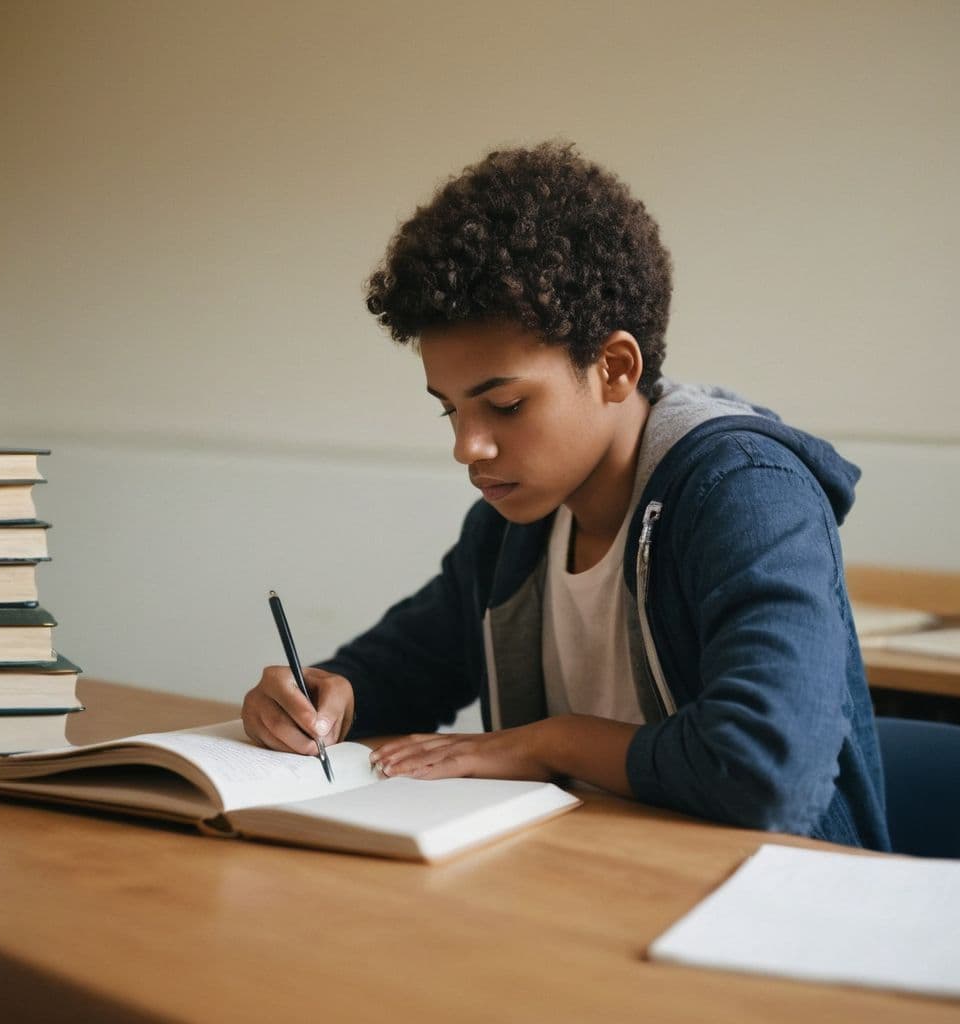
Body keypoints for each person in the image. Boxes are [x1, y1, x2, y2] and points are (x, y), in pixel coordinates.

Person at [241, 141, 890, 850]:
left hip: (775, 911)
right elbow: (400, 667)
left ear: (614, 367)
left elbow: (767, 770)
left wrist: (552, 743)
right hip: (587, 887)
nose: (468, 447)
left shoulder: (744, 493)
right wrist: (324, 697)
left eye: (508, 405)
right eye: (449, 409)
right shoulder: (512, 528)